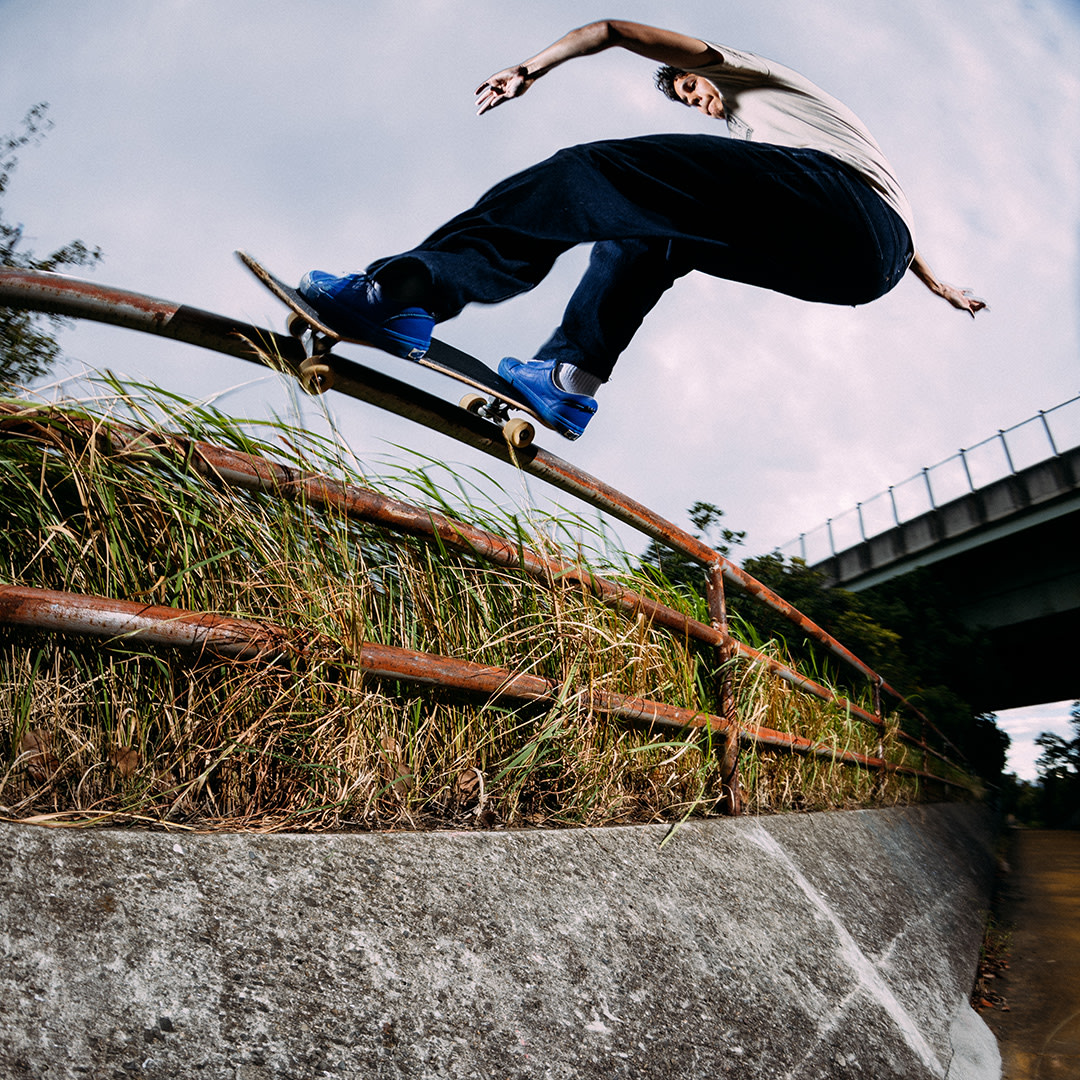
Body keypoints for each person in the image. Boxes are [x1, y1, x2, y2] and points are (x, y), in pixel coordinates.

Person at [298, 20, 985, 440]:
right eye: (689, 99)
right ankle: (570, 379)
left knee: (593, 173)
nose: (700, 101)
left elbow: (612, 30)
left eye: (693, 87)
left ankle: (403, 292)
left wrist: (530, 69)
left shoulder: (755, 80)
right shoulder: (771, 144)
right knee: (650, 232)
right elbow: (886, 232)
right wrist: (937, 285)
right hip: (863, 264)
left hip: (843, 210)